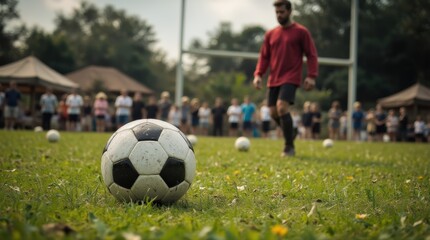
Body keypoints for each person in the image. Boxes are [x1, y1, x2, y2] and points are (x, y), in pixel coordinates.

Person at [253, 0, 318, 156]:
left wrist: (311, 75)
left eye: (281, 12)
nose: (279, 15)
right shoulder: (271, 34)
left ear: (289, 11)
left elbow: (311, 55)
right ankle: (291, 131)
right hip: (274, 78)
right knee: (273, 112)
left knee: (282, 107)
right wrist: (258, 74)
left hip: (291, 76)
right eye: (276, 12)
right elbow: (264, 57)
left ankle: (289, 147)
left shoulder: (301, 32)